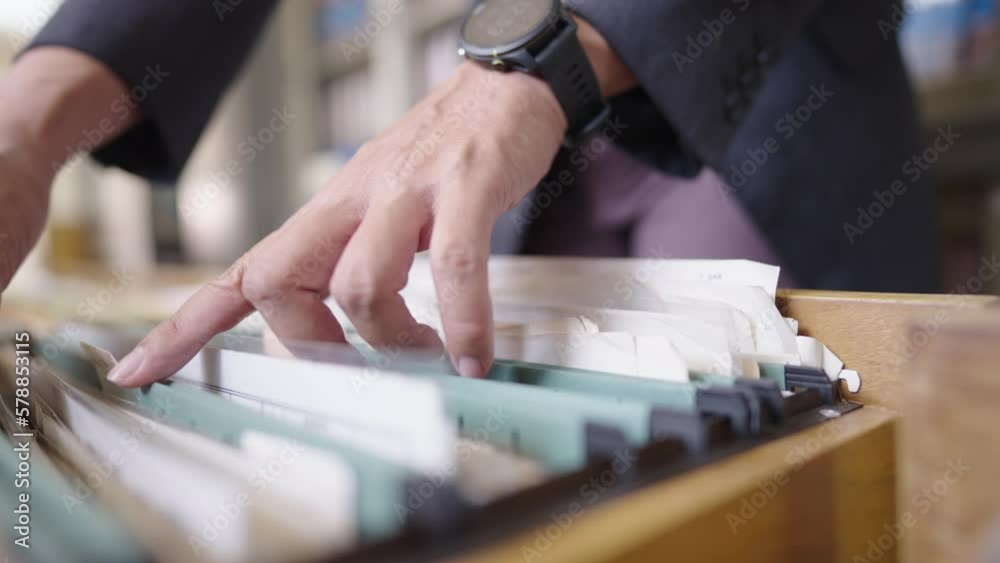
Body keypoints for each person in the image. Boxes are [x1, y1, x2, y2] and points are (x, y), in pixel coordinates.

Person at [0, 0, 938, 386]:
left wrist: (538, 66)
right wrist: (27, 123)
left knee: (784, 409)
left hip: (757, 83)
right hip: (524, 145)